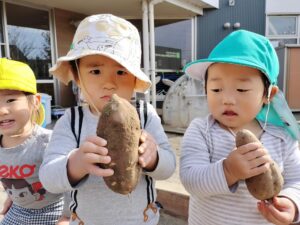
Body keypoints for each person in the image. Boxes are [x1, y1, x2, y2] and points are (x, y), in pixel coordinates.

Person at [39, 14, 176, 225]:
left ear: (135, 79)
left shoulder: (145, 114)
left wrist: (154, 157)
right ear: (77, 77)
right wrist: (76, 163)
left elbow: (169, 167)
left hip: (142, 221)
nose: (109, 83)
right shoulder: (71, 120)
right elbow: (48, 178)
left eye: (121, 71)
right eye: (95, 71)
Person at [180, 30, 300, 225]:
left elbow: (297, 181)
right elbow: (190, 179)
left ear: (268, 94)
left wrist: (291, 203)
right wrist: (229, 171)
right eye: (216, 89)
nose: (226, 99)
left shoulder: (283, 137)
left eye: (242, 89)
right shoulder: (202, 130)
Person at [0, 58, 63, 224]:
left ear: (34, 102)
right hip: (18, 210)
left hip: (53, 212)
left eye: (10, 100)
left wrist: (68, 216)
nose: (2, 110)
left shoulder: (48, 142)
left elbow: (71, 182)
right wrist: (12, 197)